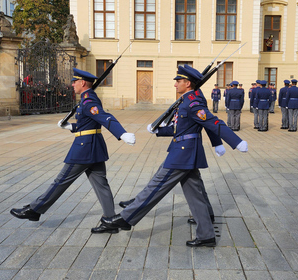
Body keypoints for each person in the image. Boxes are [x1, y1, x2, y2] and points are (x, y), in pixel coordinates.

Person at [101, 65, 248, 247]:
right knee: (195, 193)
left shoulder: (193, 102)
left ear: (187, 83)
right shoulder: (186, 100)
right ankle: (206, 234)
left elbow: (213, 122)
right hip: (185, 150)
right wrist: (159, 131)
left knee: (156, 186)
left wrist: (235, 141)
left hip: (183, 153)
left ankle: (125, 218)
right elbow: (180, 128)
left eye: (178, 81)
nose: (175, 84)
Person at [10, 68, 136, 234]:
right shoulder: (86, 98)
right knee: (101, 185)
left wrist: (122, 133)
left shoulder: (89, 99)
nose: (72, 84)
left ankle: (34, 209)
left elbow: (104, 117)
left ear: (82, 83)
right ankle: (109, 221)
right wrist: (71, 126)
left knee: (61, 180)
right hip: (93, 146)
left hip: (84, 149)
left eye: (74, 81)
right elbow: (87, 124)